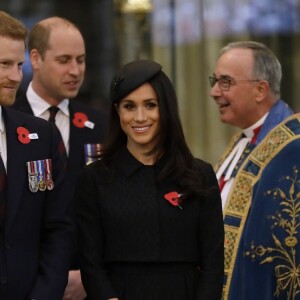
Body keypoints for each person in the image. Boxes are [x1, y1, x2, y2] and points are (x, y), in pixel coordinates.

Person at [75, 59, 224, 300]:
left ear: (165, 109)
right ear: (117, 111)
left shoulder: (200, 175)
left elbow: (214, 263)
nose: (140, 117)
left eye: (150, 105)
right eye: (129, 106)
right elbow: (91, 264)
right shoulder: (94, 179)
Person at [12, 16, 108, 300]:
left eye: (81, 60)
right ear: (36, 58)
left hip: (88, 284)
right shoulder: (10, 120)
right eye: (64, 60)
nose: (76, 70)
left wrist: (92, 275)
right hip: (25, 284)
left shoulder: (100, 126)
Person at [210, 40, 300, 299]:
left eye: (225, 82)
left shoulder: (290, 148)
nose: (214, 92)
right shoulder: (241, 141)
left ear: (261, 90)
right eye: (214, 81)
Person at [0, 11, 72, 300]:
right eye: (4, 64)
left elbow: (58, 227)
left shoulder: (41, 137)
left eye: (19, 65)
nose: (16, 77)